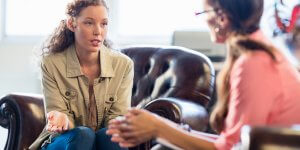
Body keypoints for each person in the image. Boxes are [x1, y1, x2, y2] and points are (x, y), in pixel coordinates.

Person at [106, 0, 300, 149]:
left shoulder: (253, 63)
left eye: (204, 12)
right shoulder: (259, 52)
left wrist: (158, 127)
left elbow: (233, 147)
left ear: (221, 17)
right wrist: (169, 129)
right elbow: (233, 141)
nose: (204, 19)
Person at [29, 0, 134, 149]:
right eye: (89, 23)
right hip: (63, 140)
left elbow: (117, 119)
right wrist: (62, 119)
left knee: (111, 136)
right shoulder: (51, 63)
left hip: (104, 140)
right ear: (72, 24)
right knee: (84, 135)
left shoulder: (124, 65)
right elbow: (58, 111)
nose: (98, 31)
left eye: (104, 24)